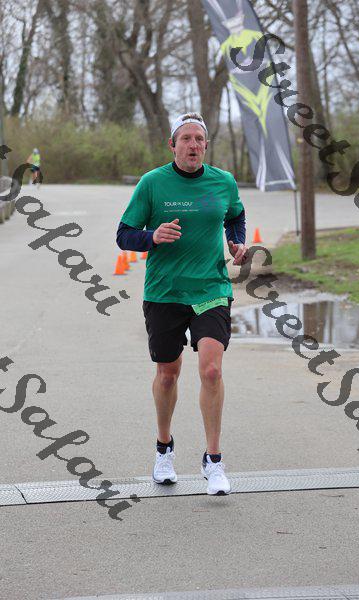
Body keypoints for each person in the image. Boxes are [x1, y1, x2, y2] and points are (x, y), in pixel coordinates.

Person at [116, 112, 248, 495]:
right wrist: (152, 237)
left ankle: (214, 460)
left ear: (206, 145)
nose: (193, 145)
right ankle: (164, 449)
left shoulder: (223, 182)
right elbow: (124, 235)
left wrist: (236, 241)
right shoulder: (152, 183)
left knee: (212, 371)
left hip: (211, 288)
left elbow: (236, 216)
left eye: (199, 139)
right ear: (172, 145)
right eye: (186, 138)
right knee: (167, 374)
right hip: (165, 292)